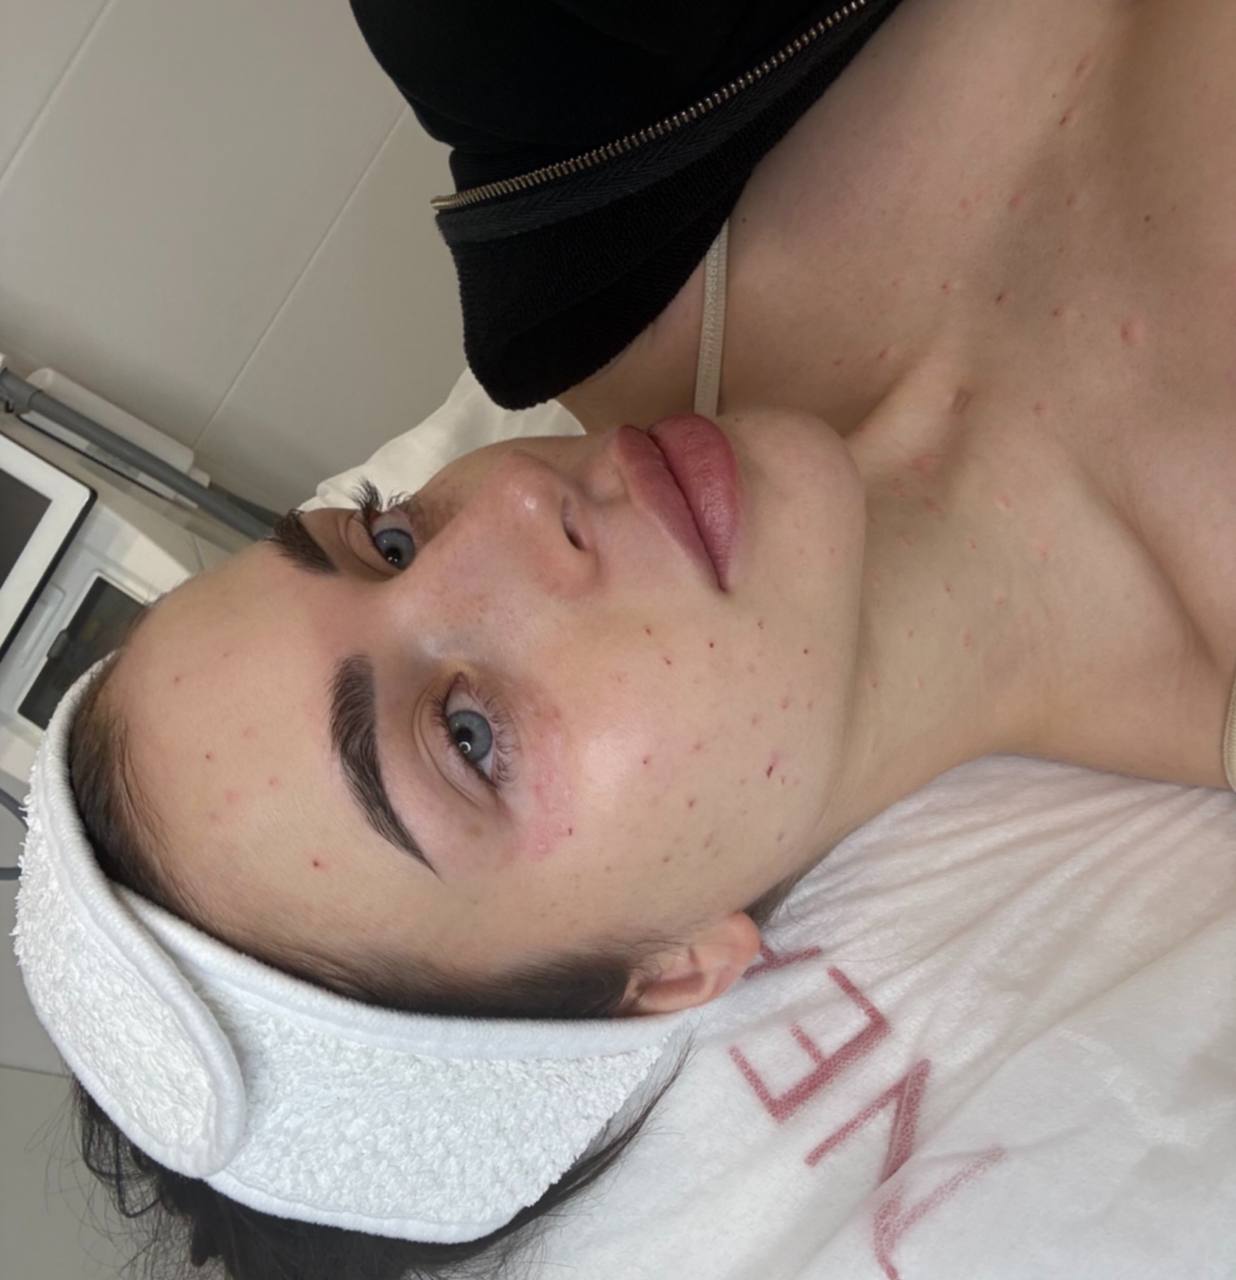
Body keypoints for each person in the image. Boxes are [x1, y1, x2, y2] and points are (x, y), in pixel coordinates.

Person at [15, 0, 1236, 1277]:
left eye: (387, 539)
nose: (513, 502)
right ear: (667, 973)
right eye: (468, 736)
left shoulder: (568, 117)